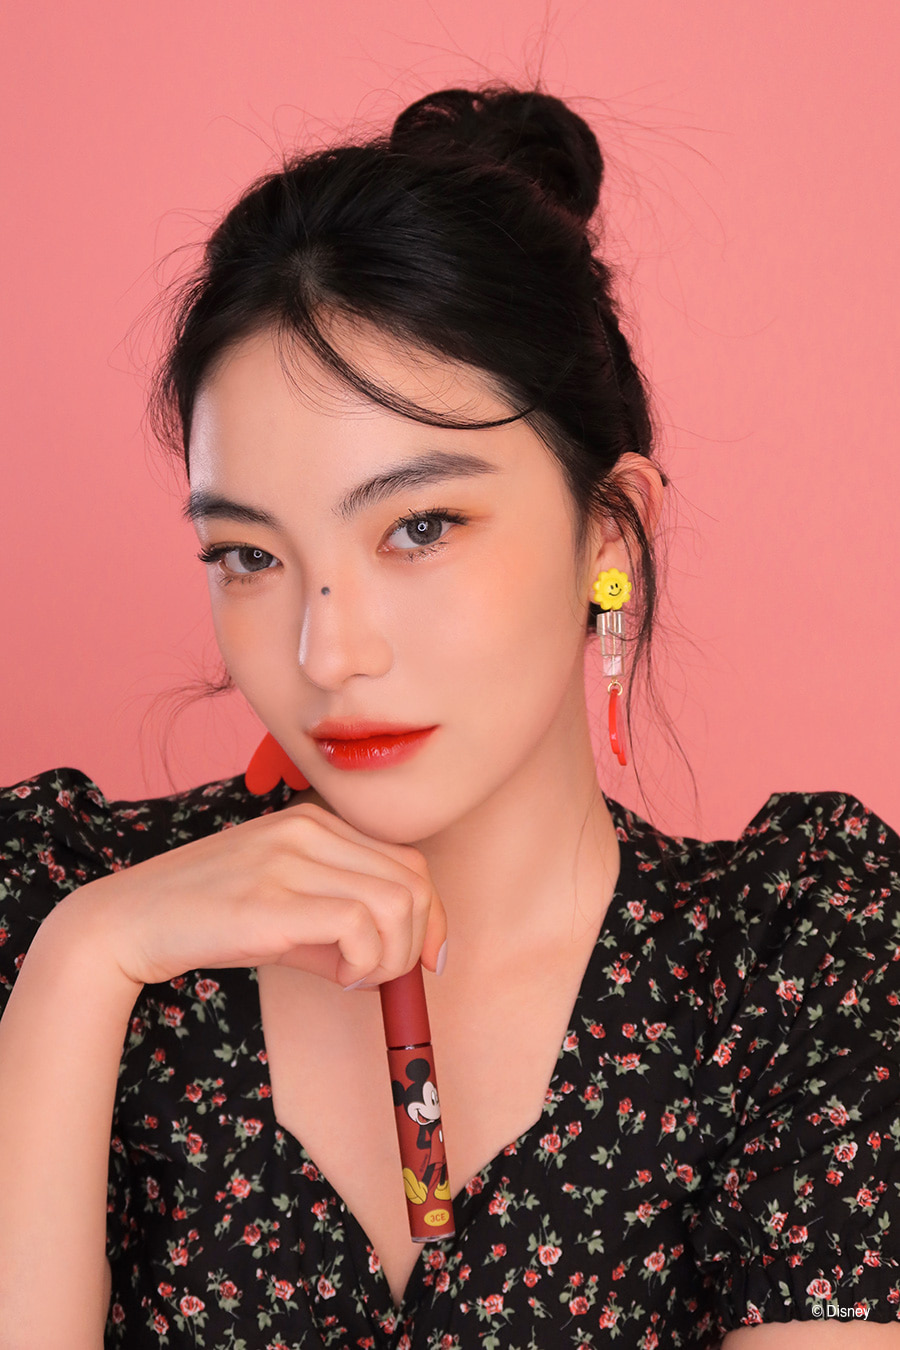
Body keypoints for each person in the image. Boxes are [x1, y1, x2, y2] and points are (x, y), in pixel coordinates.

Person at [1, 81, 898, 1350]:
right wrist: (81, 969)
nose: (328, 652)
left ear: (609, 533)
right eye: (248, 556)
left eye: (420, 527)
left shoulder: (796, 961)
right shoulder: (56, 900)